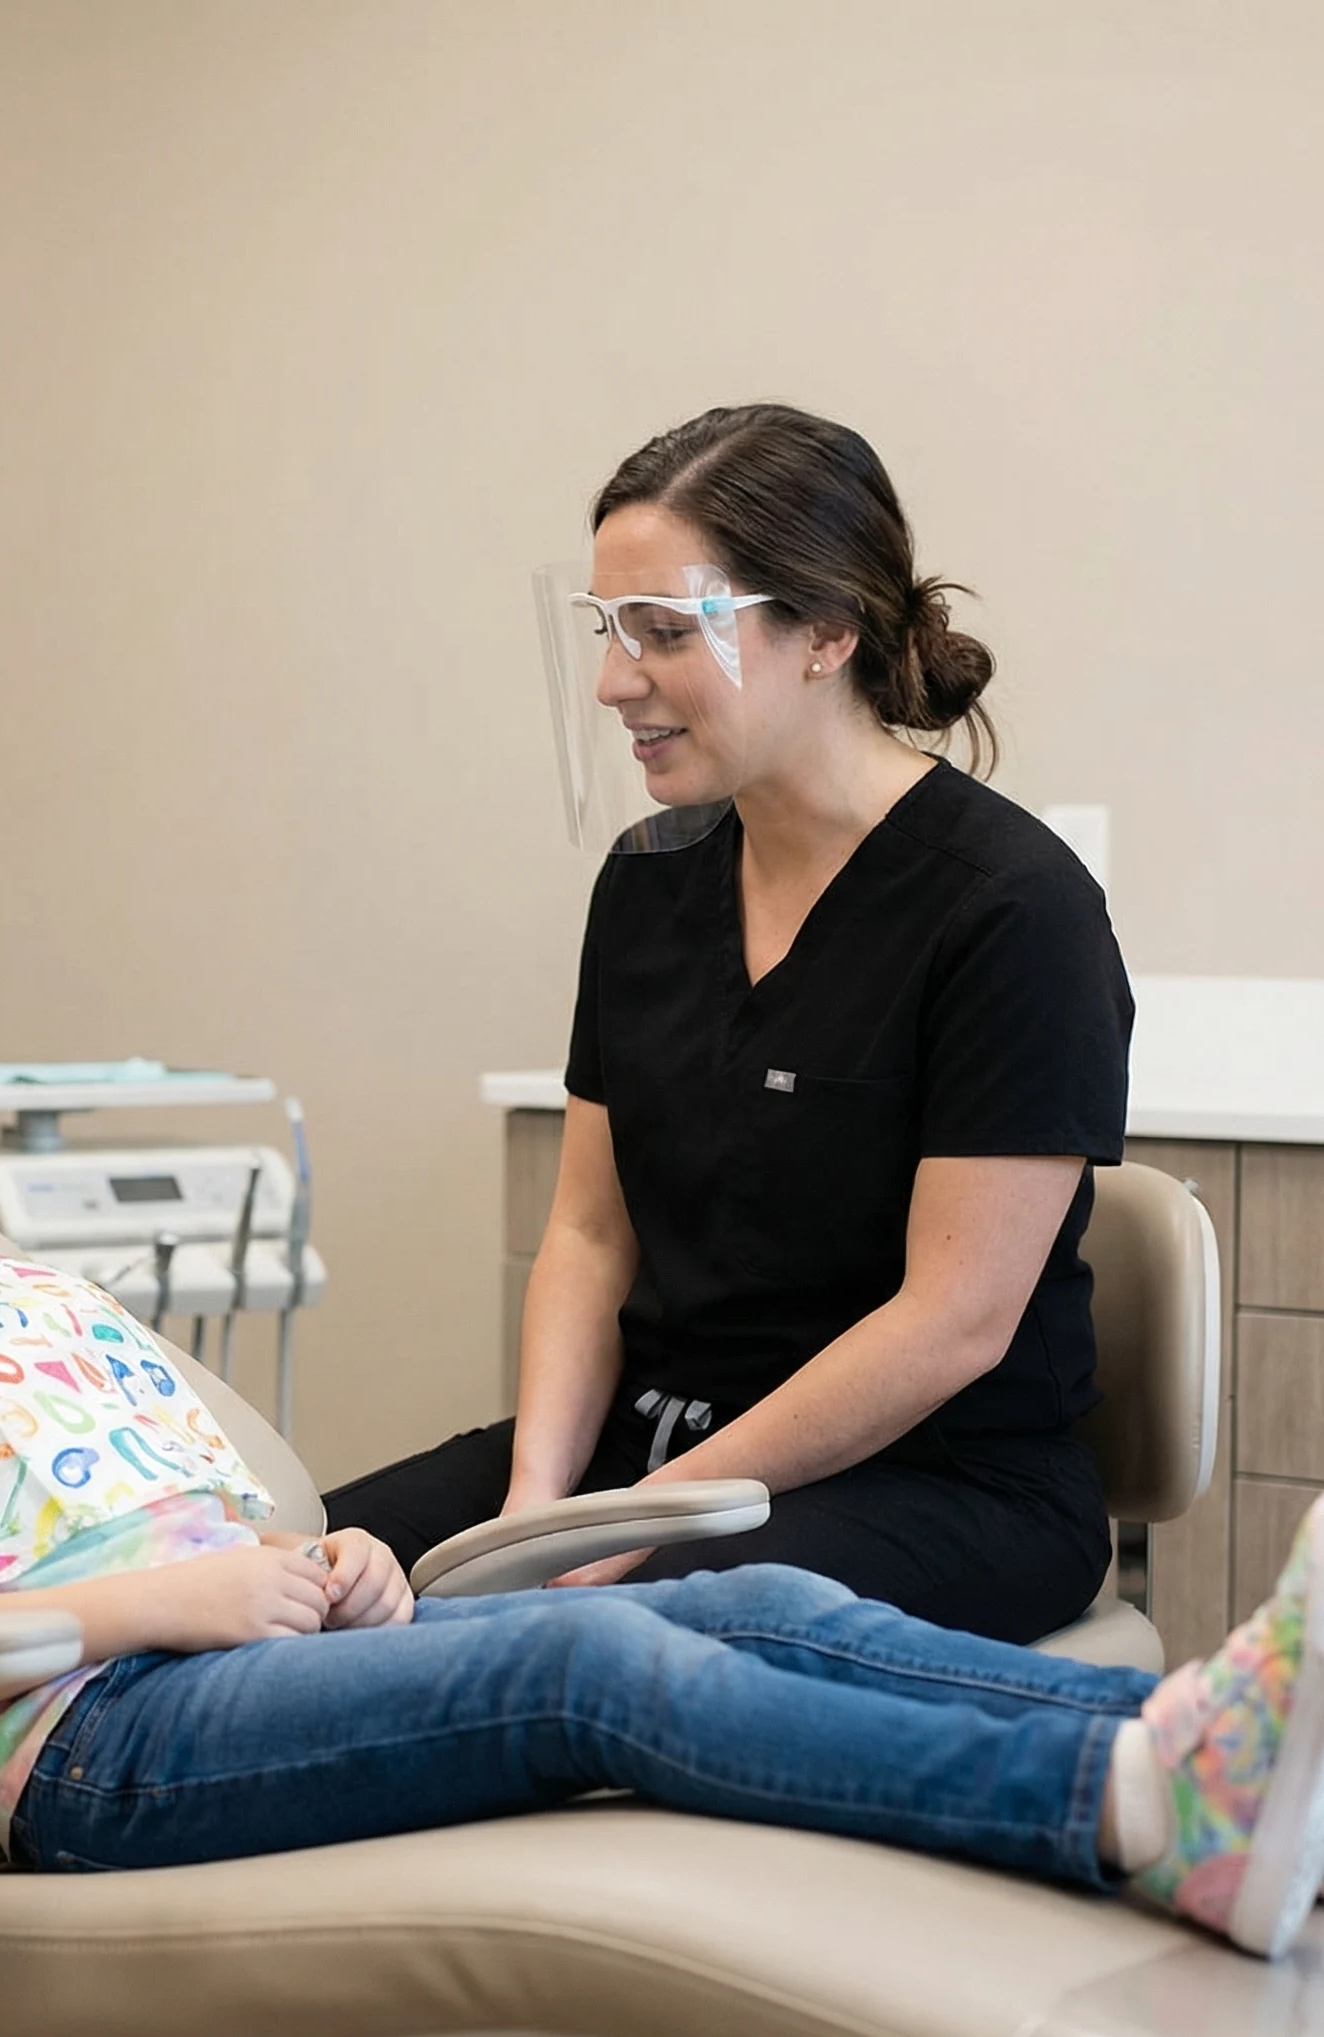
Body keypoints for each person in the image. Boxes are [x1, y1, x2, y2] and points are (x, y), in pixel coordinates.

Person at [0, 924, 1324, 1961]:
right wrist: (163, 1607)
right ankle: (1123, 1807)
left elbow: (195, 1524)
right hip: (100, 1750)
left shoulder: (4, 1286)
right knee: (590, 1658)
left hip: (230, 1668)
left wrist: (319, 1563)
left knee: (746, 1600)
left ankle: (1198, 1735)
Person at [326, 404, 1133, 1643]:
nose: (613, 681)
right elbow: (589, 1231)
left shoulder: (1010, 908)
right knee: (282, 1579)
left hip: (939, 1484)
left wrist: (640, 1524)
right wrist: (536, 1508)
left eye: (662, 631)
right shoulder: (647, 877)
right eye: (606, 629)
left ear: (825, 632)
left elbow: (952, 1320)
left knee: (588, 1638)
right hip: (646, 1445)